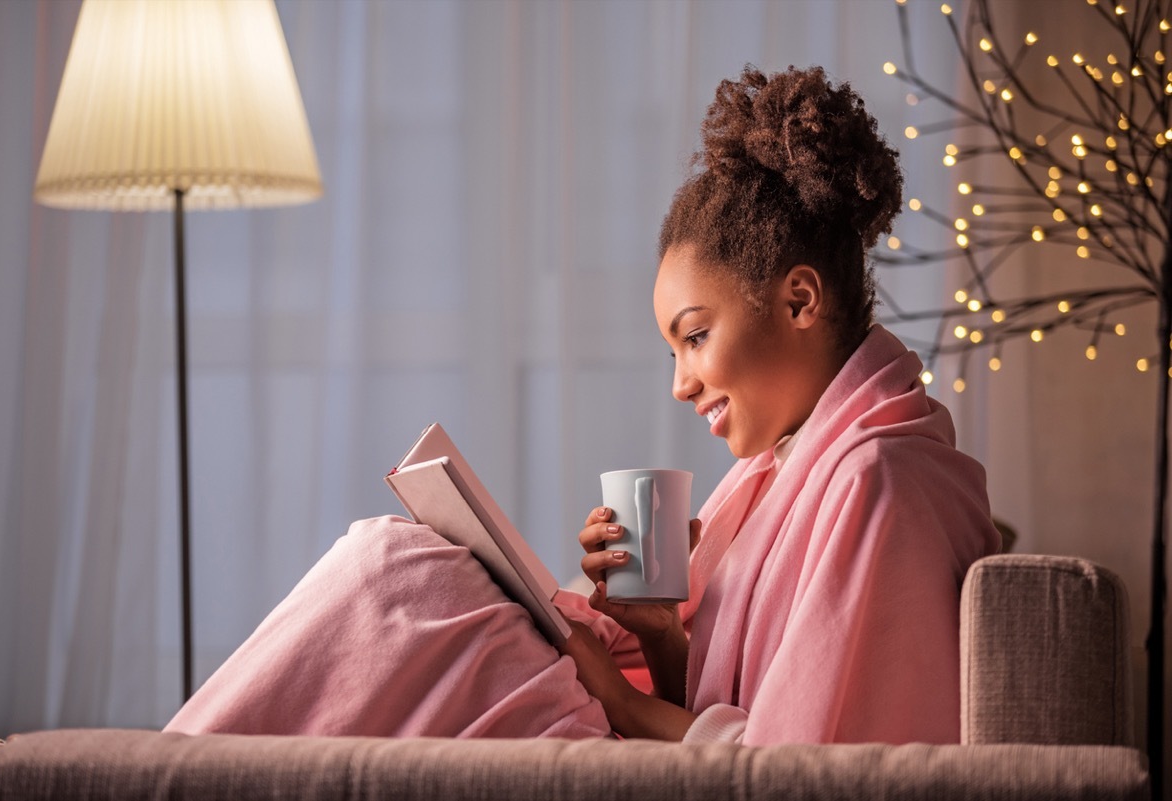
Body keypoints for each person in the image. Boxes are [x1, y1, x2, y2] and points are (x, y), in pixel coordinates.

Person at [166, 65, 999, 745]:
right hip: (638, 743)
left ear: (800, 300)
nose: (681, 383)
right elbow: (726, 707)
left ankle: (162, 773)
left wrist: (624, 701)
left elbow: (800, 766)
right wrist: (660, 634)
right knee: (393, 568)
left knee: (393, 573)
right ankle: (170, 771)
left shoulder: (880, 479)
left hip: (638, 755)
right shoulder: (786, 472)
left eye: (696, 336)